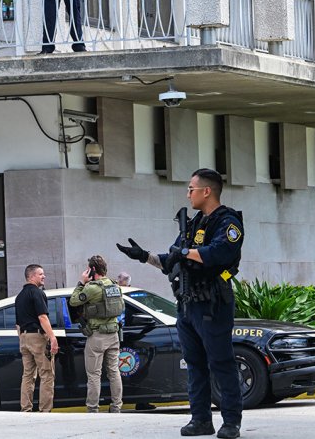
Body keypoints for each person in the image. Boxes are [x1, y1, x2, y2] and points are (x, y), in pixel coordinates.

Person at [117, 168, 244, 439]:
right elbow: (171, 259)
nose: (188, 195)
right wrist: (144, 256)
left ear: (206, 191)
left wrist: (185, 252)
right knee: (194, 364)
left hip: (213, 303)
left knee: (221, 362)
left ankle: (231, 422)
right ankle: (200, 420)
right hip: (187, 305)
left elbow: (221, 251)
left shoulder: (228, 221)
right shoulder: (194, 223)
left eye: (191, 189)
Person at [69, 255, 123, 413]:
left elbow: (73, 301)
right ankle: (116, 407)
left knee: (94, 374)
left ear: (92, 270)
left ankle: (93, 409)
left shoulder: (92, 288)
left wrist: (81, 283)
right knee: (114, 371)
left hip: (97, 336)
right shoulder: (114, 285)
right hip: (113, 334)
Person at [14, 264, 59, 412]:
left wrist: (22, 338)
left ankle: (26, 410)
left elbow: (17, 324)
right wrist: (52, 338)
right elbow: (42, 317)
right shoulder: (37, 293)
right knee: (46, 374)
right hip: (37, 337)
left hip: (24, 338)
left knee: (27, 375)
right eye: (41, 274)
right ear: (31, 276)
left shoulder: (19, 296)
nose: (44, 276)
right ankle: (44, 411)